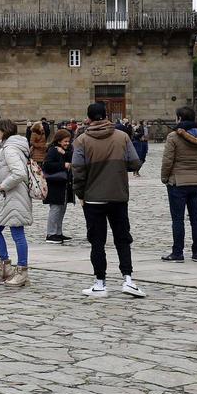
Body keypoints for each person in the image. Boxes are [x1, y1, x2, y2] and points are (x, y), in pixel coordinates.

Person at [72, 102, 147, 299]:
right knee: (122, 238)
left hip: (93, 198)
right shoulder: (122, 137)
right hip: (118, 195)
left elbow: (78, 172)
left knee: (97, 241)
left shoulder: (81, 141)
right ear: (106, 116)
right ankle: (128, 279)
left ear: (88, 118)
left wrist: (80, 194)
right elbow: (135, 162)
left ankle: (100, 283)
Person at [159, 106, 197, 263]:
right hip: (196, 182)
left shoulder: (173, 137)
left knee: (178, 219)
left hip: (178, 182)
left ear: (180, 118)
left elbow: (168, 161)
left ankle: (178, 252)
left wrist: (164, 178)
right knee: (196, 218)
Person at [0, 118, 32, 287]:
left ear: (4, 131)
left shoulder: (10, 148)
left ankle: (22, 271)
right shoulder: (9, 147)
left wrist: (3, 186)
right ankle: (6, 266)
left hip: (15, 196)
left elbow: (19, 173)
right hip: (10, 196)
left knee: (17, 233)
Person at [42, 129, 74, 243]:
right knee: (55, 209)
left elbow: (73, 158)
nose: (67, 143)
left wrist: (65, 153)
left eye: (68, 141)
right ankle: (51, 234)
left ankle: (58, 232)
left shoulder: (66, 150)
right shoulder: (52, 150)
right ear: (59, 141)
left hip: (63, 185)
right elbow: (47, 166)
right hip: (55, 185)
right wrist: (63, 165)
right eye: (65, 141)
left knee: (62, 208)